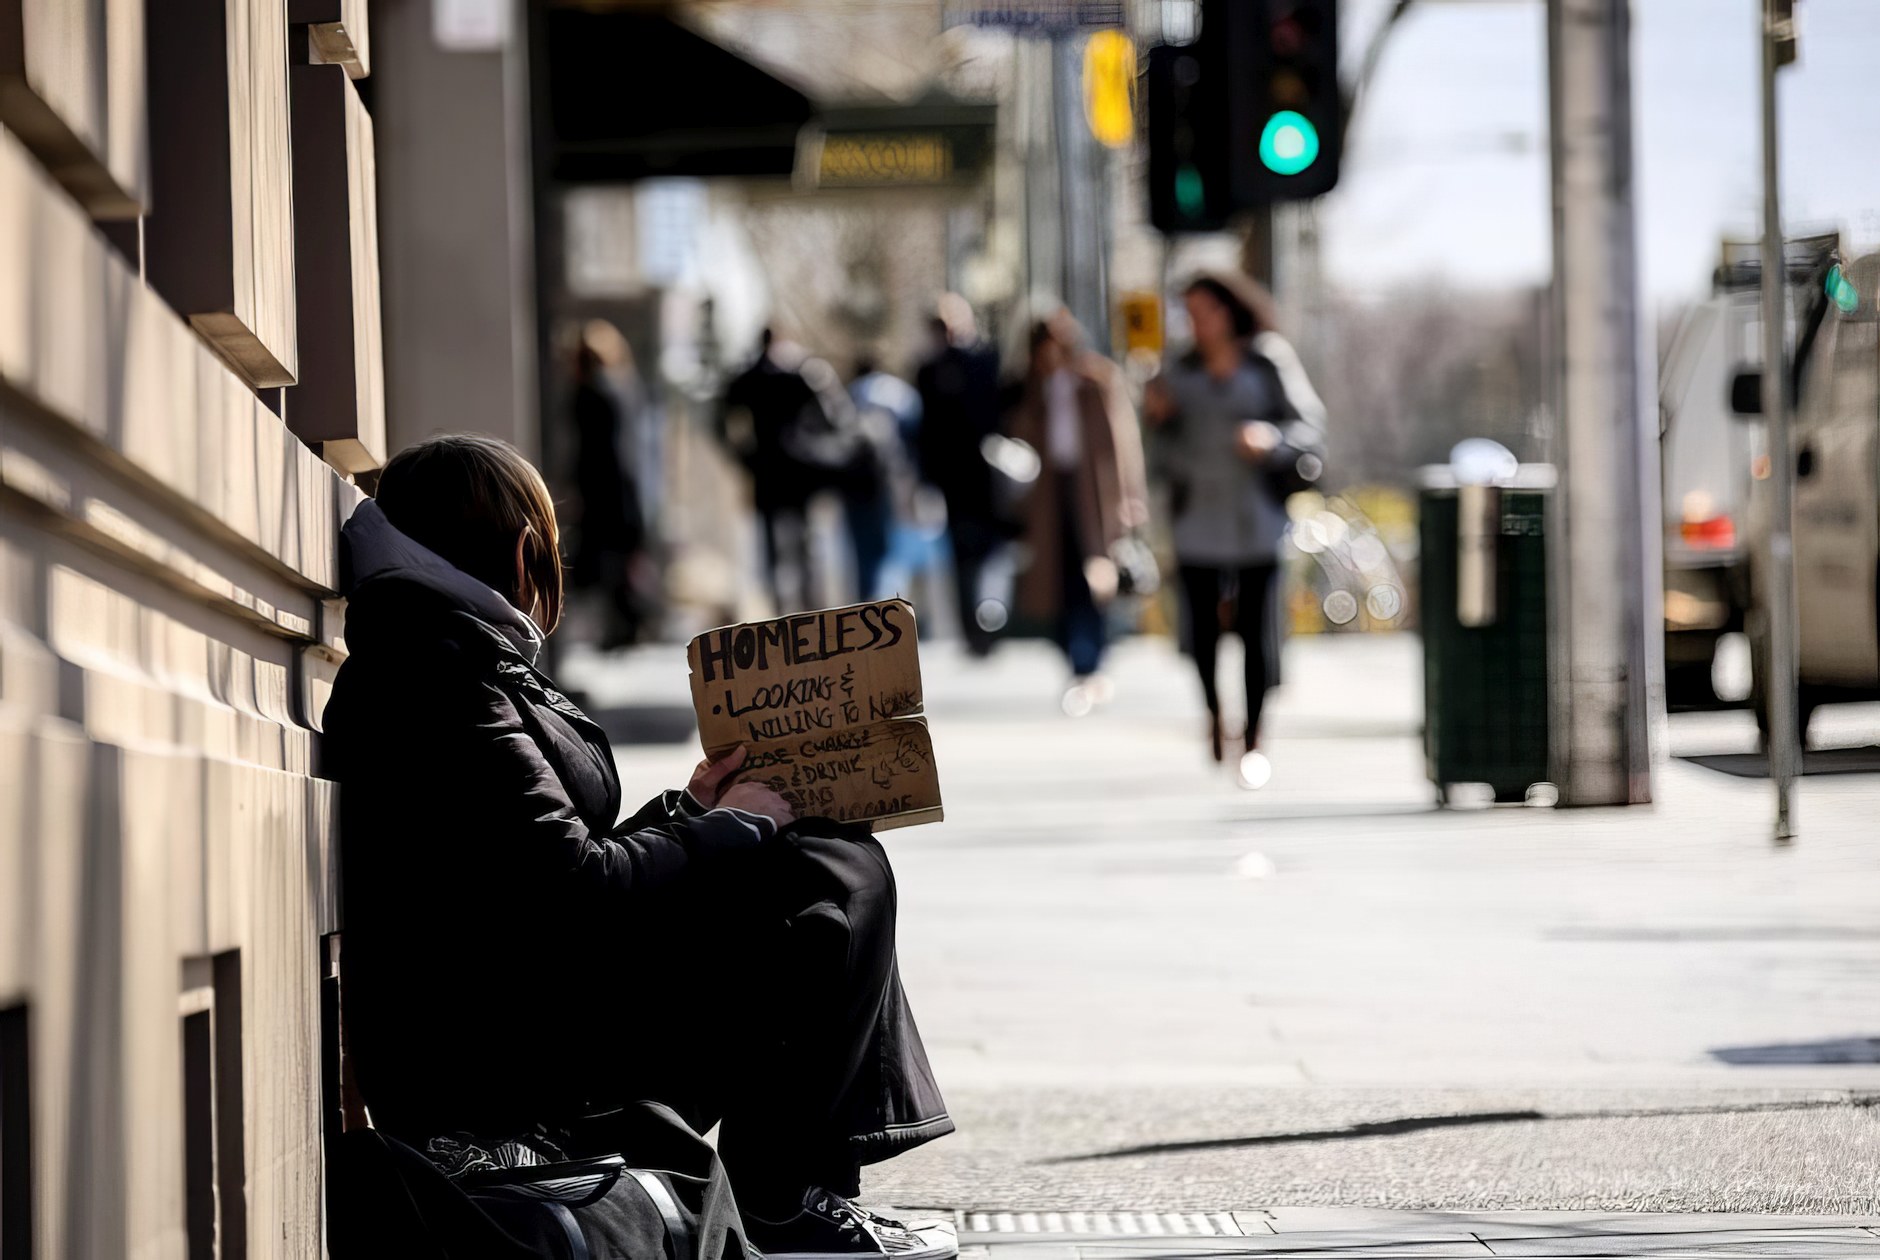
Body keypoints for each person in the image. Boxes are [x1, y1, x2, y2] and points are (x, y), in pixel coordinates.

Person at [323, 435, 957, 1259]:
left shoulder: (446, 649)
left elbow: (540, 864)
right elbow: (573, 888)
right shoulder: (443, 671)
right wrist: (732, 826)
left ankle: (797, 1192)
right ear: (524, 552)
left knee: (823, 850)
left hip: (522, 1013)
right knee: (829, 873)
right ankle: (783, 1199)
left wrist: (693, 807)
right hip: (507, 1066)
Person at [1144, 272, 1326, 782]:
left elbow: (1310, 427)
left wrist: (1268, 438)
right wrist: (1156, 417)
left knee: (1256, 631)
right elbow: (1155, 455)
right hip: (1197, 516)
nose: (1197, 323)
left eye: (1205, 310)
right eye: (1190, 313)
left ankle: (1254, 735)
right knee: (1201, 632)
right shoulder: (1177, 370)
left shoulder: (1267, 359)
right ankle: (1213, 716)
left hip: (1255, 517)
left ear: (1230, 310)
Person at [1006, 310, 1149, 714]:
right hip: (1050, 496)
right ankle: (1078, 665)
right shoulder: (1032, 388)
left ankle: (1091, 665)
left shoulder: (1096, 379)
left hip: (1095, 494)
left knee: (1096, 582)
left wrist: (1129, 497)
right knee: (1060, 583)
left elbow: (1123, 443)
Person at [914, 296, 1005, 655]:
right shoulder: (929, 370)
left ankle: (991, 620)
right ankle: (973, 628)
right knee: (961, 556)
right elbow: (926, 431)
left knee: (991, 552)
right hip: (952, 481)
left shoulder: (984, 360)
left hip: (988, 476)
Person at [719, 329, 828, 612]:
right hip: (796, 470)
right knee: (803, 546)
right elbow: (826, 414)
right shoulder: (795, 375)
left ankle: (781, 613)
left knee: (773, 549)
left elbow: (720, 418)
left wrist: (741, 454)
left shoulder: (750, 377)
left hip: (766, 470)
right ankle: (809, 609)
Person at [568, 320, 648, 649]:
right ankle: (618, 628)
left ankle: (614, 628)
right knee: (613, 566)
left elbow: (596, 452)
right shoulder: (624, 388)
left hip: (602, 492)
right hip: (621, 490)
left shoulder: (592, 394)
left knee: (595, 568)